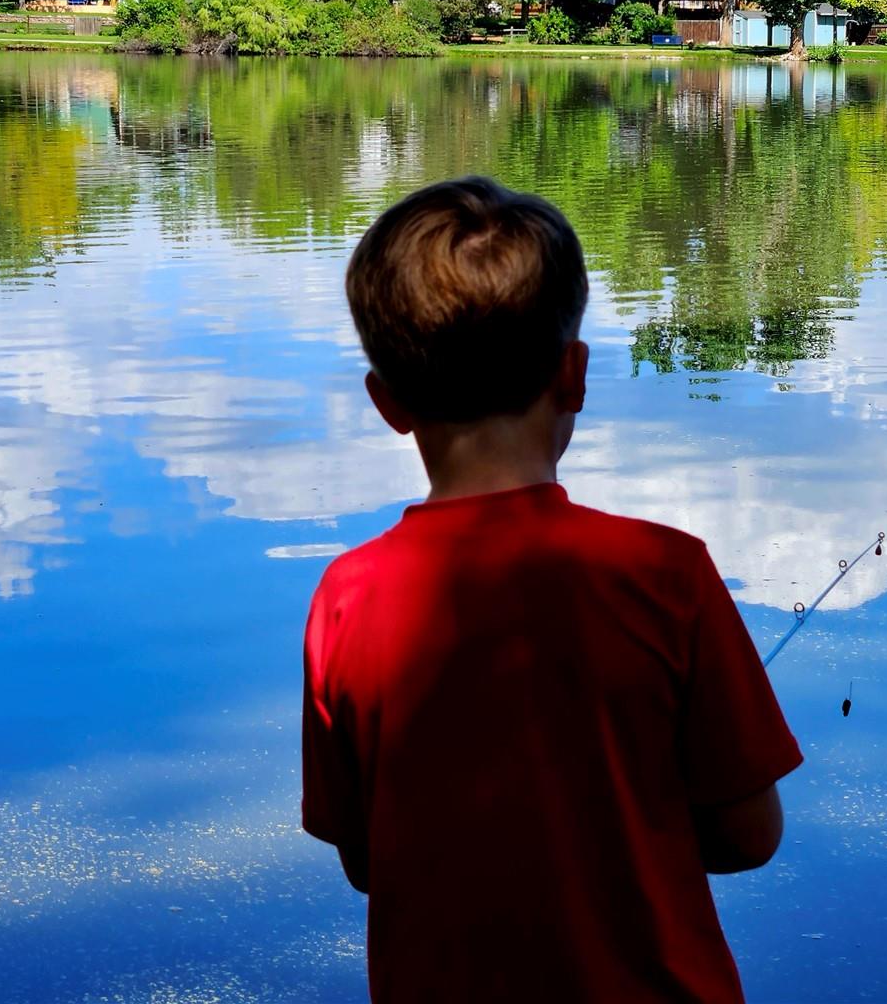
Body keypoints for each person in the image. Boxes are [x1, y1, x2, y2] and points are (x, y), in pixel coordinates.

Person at [302, 177, 803, 1002]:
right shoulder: (664, 574)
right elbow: (748, 838)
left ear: (386, 404)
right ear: (574, 376)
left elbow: (365, 860)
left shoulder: (346, 598)